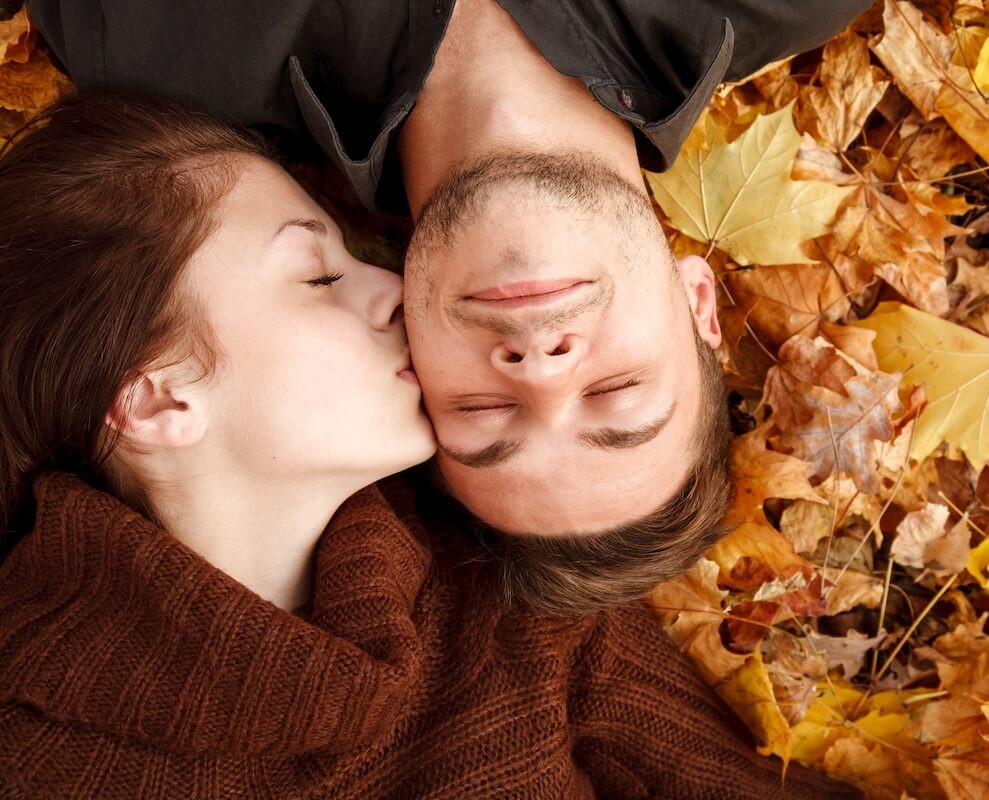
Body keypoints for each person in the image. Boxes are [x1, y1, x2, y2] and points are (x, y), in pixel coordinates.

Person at [0, 91, 861, 799]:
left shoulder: (508, 619)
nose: (391, 288)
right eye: (318, 275)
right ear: (157, 400)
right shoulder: (38, 758)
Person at [25, 0, 871, 562]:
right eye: (617, 392)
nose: (542, 370)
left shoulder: (157, 44)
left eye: (483, 412)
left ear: (410, 356)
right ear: (698, 304)